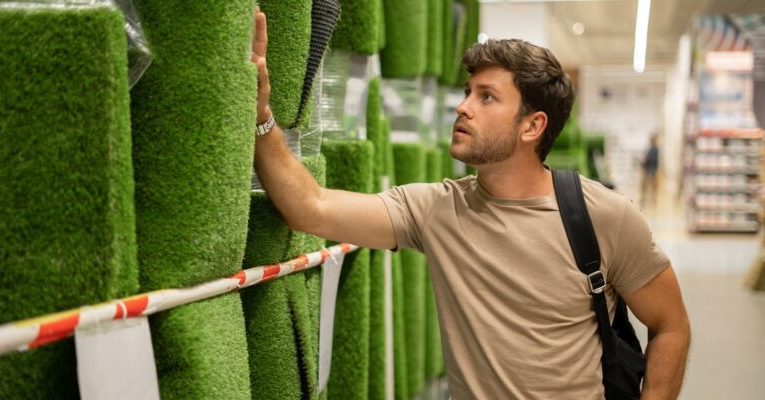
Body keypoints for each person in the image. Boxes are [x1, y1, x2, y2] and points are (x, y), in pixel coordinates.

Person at [250, 8, 690, 400]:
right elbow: (311, 208)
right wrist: (263, 117)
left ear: (532, 125)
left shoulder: (603, 216)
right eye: (467, 92)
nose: (462, 107)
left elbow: (671, 325)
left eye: (487, 97)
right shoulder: (436, 209)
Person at [641, 134, 660, 209]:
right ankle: (650, 198)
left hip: (651, 169)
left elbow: (651, 158)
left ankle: (651, 198)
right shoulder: (652, 148)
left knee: (650, 184)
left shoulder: (654, 149)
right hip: (651, 169)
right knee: (651, 184)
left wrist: (646, 159)